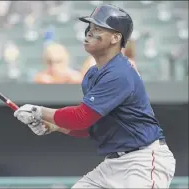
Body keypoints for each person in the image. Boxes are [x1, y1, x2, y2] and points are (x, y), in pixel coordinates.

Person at [13, 4, 176, 188]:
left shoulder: (119, 73)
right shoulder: (92, 74)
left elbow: (80, 117)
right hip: (114, 163)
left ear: (116, 38)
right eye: (89, 28)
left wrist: (39, 111)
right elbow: (89, 127)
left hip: (144, 161)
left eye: (97, 29)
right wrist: (54, 126)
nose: (89, 33)